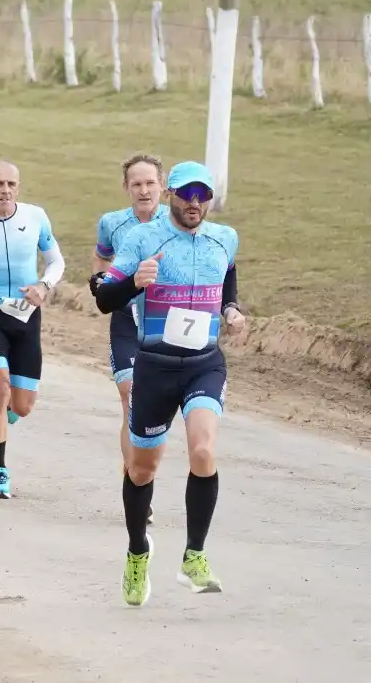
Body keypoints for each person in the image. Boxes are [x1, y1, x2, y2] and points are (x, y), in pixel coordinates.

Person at [93, 161, 244, 607]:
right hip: (155, 368)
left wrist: (231, 310)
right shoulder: (143, 239)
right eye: (186, 194)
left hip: (204, 365)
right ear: (171, 194)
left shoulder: (225, 237)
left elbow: (228, 277)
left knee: (203, 451)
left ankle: (194, 556)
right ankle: (137, 551)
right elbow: (105, 298)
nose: (195, 203)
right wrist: (133, 282)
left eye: (203, 195)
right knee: (142, 469)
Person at [0, 160, 65, 500]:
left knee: (22, 406)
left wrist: (44, 285)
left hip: (26, 316)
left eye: (11, 184)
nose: (5, 190)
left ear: (18, 187)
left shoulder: (35, 217)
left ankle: (8, 410)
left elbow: (56, 261)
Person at [93, 153, 168, 524]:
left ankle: (144, 472)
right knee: (130, 396)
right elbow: (101, 258)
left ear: (162, 186)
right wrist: (99, 281)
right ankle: (136, 480)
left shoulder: (176, 223)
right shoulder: (112, 223)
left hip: (165, 324)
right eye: (136, 184)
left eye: (150, 183)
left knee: (154, 407)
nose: (143, 190)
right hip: (126, 319)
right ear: (126, 188)